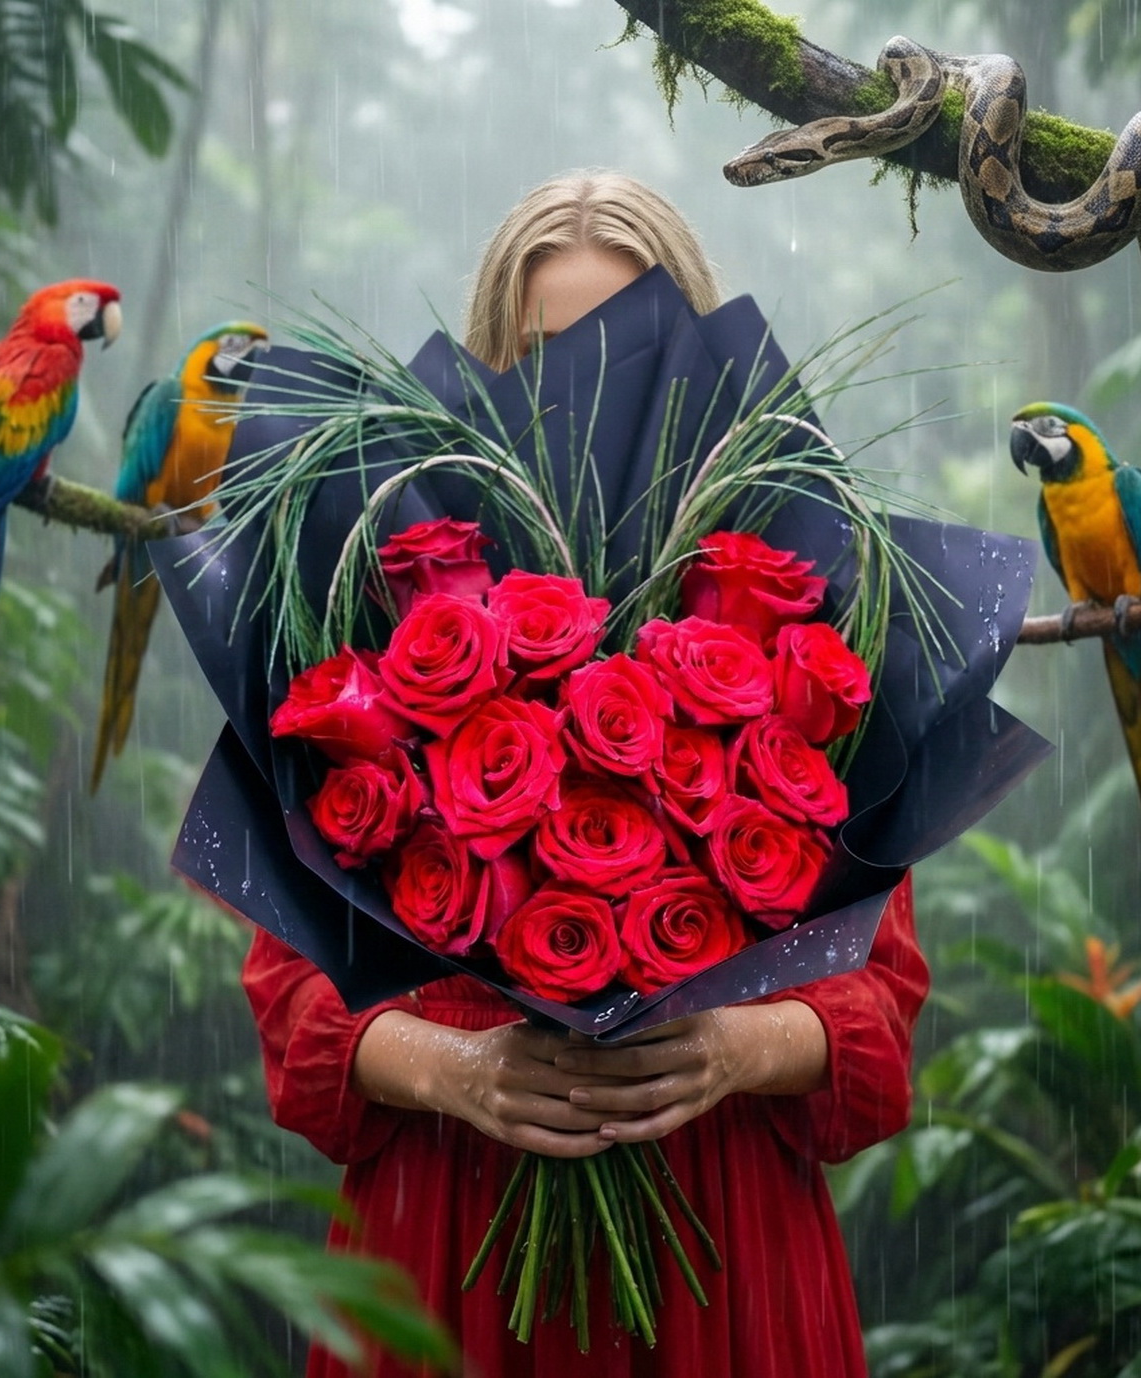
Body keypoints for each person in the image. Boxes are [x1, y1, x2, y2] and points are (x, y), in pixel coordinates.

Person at [241, 170, 930, 1378]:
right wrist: (459, 1071)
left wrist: (732, 1047)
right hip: (445, 1245)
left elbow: (874, 1029)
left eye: (632, 360)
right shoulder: (374, 609)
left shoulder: (802, 629)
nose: (586, 406)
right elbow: (296, 1020)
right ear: (483, 383)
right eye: (544, 362)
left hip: (722, 1256)